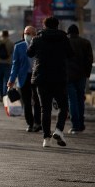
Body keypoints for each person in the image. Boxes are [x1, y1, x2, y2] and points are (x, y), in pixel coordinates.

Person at [27, 16, 73, 148]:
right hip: (59, 77)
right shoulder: (64, 38)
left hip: (42, 78)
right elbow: (71, 54)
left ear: (44, 25)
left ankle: (46, 138)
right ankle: (58, 130)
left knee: (45, 109)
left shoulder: (37, 38)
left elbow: (29, 53)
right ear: (57, 25)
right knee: (63, 106)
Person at [7, 26, 42, 133]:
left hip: (37, 76)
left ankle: (37, 123)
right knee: (26, 101)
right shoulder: (18, 47)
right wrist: (11, 79)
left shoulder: (39, 45)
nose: (28, 35)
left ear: (35, 34)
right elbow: (15, 64)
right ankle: (30, 123)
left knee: (37, 100)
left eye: (30, 33)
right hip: (24, 77)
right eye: (26, 33)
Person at [65, 24, 93, 134]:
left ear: (68, 33)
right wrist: (87, 74)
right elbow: (90, 60)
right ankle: (81, 124)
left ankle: (75, 125)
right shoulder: (86, 43)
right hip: (81, 75)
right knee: (80, 99)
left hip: (68, 76)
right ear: (78, 32)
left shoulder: (65, 42)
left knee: (72, 100)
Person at [0, 30, 14, 103]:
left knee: (0, 81)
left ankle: (1, 96)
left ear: (2, 35)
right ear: (8, 35)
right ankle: (5, 95)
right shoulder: (11, 43)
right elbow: (14, 53)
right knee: (6, 80)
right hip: (8, 63)